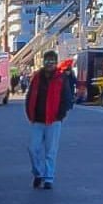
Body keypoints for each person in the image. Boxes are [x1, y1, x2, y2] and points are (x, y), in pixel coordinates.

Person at [25, 50, 73, 189]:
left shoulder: (61, 78)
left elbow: (67, 98)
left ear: (55, 63)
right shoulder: (36, 78)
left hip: (53, 120)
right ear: (43, 62)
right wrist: (29, 113)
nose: (49, 64)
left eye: (52, 61)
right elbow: (30, 96)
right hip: (37, 120)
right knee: (32, 149)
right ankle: (38, 173)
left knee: (50, 151)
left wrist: (60, 115)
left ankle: (48, 178)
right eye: (47, 61)